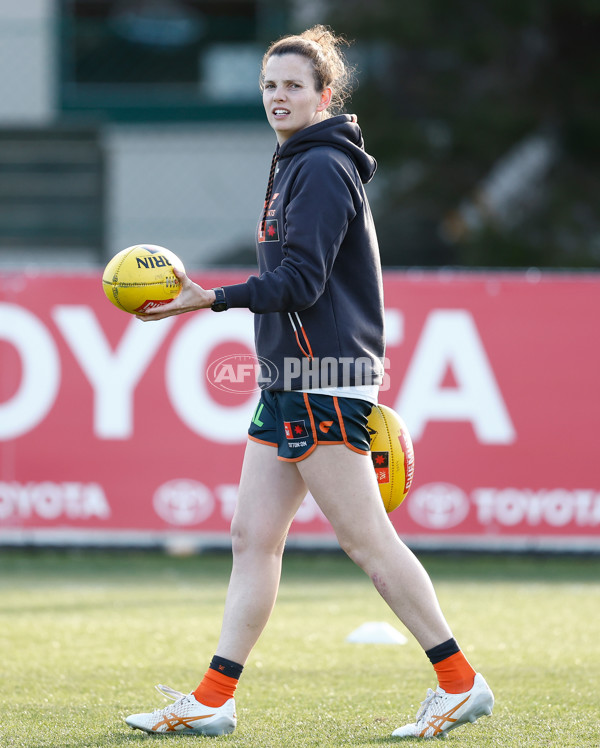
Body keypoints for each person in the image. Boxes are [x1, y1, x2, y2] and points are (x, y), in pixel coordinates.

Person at [124, 25, 494, 740]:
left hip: (321, 375)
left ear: (324, 95)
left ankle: (460, 683)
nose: (278, 97)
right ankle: (213, 698)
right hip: (292, 378)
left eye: (293, 85)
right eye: (269, 85)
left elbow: (301, 281)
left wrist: (211, 299)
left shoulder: (321, 165)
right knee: (252, 537)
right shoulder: (294, 159)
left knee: (366, 541)